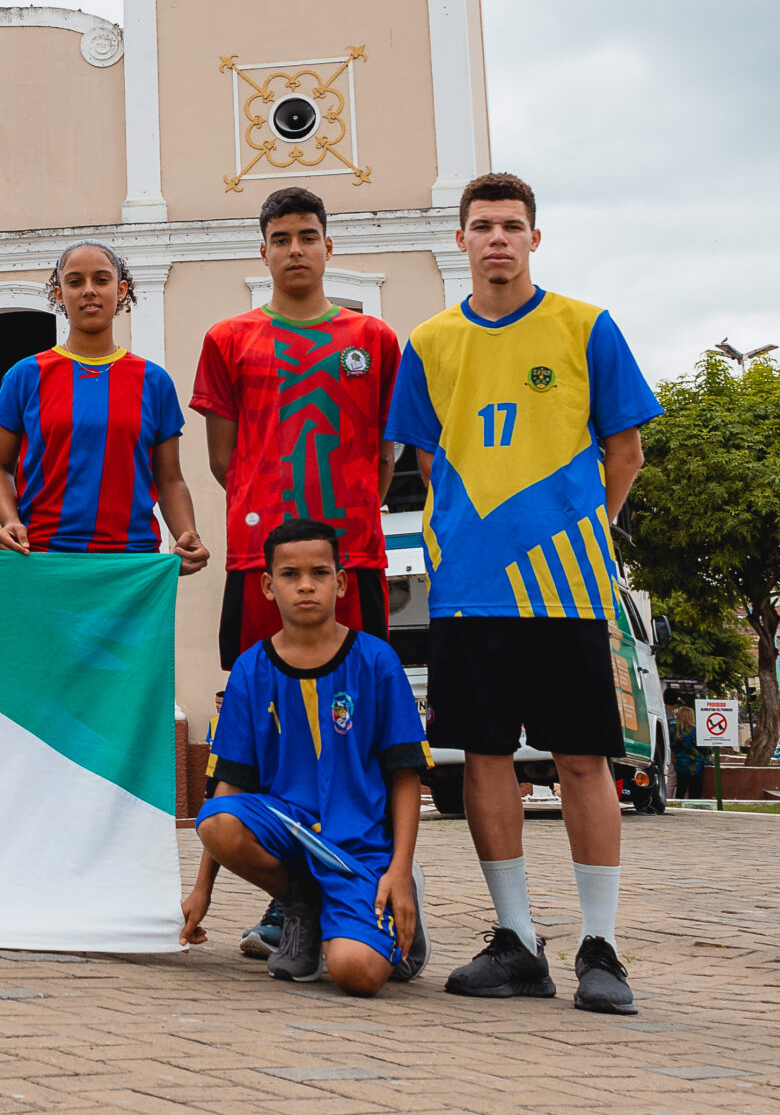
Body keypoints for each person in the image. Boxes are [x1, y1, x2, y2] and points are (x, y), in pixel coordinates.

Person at [384, 172, 658, 1015]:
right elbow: (428, 461)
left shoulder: (587, 327)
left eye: (511, 225)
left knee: (583, 759)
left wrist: (580, 531)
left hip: (567, 587)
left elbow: (627, 452)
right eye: (481, 226)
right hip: (467, 587)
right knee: (485, 761)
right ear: (459, 239)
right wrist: (477, 536)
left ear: (535, 238)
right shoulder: (428, 342)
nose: (496, 238)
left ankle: (601, 947)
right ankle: (516, 942)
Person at [192, 185, 403, 960]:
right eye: (280, 238)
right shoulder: (228, 338)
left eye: (307, 236)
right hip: (259, 560)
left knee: (364, 725)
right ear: (263, 251)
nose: (294, 250)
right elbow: (223, 460)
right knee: (264, 723)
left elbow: (385, 456)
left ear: (328, 246)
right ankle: (292, 900)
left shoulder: (374, 339)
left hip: (352, 558)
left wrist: (341, 526)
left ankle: (372, 883)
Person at [182, 517, 427, 992]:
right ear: (269, 587)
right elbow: (230, 785)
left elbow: (405, 776)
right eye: (291, 575)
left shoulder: (376, 661)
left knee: (357, 975)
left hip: (359, 848)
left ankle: (385, 910)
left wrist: (398, 869)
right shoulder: (251, 670)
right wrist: (201, 890)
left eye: (319, 572)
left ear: (341, 582)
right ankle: (303, 906)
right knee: (214, 817)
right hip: (289, 832)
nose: (306, 585)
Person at [0, 240, 209, 570]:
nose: (89, 290)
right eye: (75, 281)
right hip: (44, 558)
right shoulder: (24, 376)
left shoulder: (154, 381)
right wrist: (9, 520)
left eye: (101, 280)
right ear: (59, 294)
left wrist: (187, 533)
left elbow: (170, 478)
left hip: (133, 563)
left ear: (121, 290)